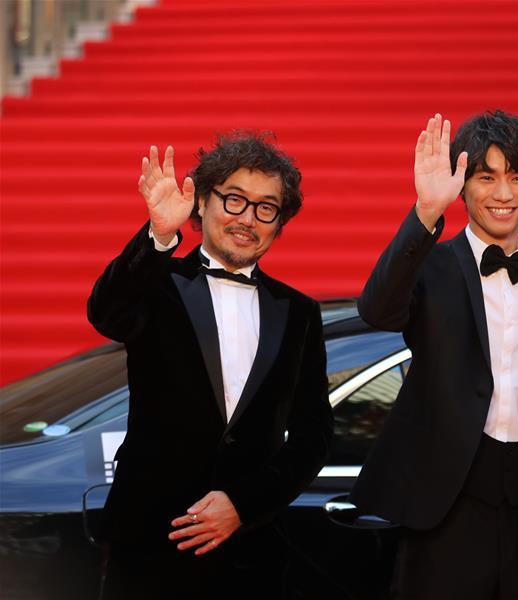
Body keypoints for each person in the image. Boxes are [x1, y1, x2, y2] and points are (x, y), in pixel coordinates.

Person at [350, 111, 518, 600]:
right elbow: (377, 311)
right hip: (444, 511)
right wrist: (425, 212)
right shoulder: (430, 267)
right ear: (463, 186)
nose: (503, 194)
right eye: (486, 178)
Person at [87, 133, 333, 599]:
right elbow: (106, 313)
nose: (247, 219)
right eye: (234, 200)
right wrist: (159, 237)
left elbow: (314, 435)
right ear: (202, 202)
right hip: (148, 543)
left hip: (250, 553)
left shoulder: (298, 312)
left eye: (266, 208)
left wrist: (244, 504)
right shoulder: (158, 283)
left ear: (279, 223)